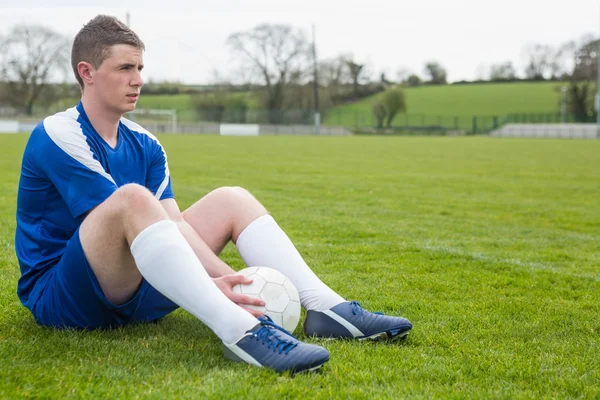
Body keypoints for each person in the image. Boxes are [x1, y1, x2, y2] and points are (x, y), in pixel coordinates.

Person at [14, 15, 412, 374]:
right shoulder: (59, 134)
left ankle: (327, 308)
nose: (138, 79)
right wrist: (216, 288)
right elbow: (121, 218)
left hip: (139, 290)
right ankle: (241, 332)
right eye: (124, 68)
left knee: (231, 197)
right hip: (69, 300)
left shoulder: (147, 144)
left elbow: (175, 223)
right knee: (133, 199)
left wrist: (227, 278)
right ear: (87, 72)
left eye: (139, 67)